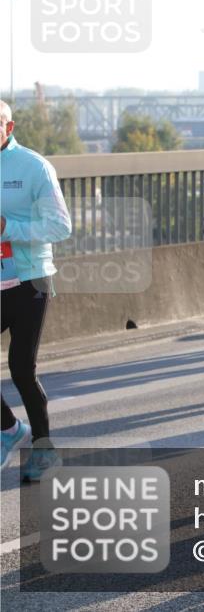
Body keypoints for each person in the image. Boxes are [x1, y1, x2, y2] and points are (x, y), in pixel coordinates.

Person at [0, 99, 73, 479]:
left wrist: (8, 228)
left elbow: (60, 227)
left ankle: (45, 451)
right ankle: (11, 430)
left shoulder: (34, 166)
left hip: (30, 280)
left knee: (21, 369)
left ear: (8, 128)